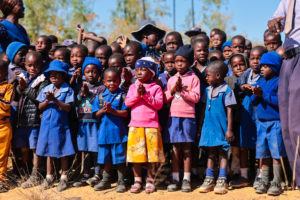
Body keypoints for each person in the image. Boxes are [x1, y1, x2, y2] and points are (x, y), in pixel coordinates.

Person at [268, 0, 300, 189]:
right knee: (287, 125)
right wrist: (273, 23)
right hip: (288, 59)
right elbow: (274, 19)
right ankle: (297, 178)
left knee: (297, 124)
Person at [125, 57, 164, 194]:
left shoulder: (156, 88)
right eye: (137, 70)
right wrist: (138, 94)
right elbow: (128, 103)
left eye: (143, 70)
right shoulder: (132, 87)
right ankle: (137, 180)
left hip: (152, 126)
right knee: (137, 156)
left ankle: (150, 180)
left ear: (152, 73)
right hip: (135, 126)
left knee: (151, 156)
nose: (139, 72)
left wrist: (145, 94)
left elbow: (159, 105)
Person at [164, 45, 200, 192]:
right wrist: (173, 91)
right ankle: (175, 178)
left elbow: (196, 98)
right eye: (176, 61)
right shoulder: (172, 79)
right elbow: (165, 99)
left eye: (182, 61)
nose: (178, 64)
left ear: (191, 62)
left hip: (188, 118)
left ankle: (186, 179)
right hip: (173, 117)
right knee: (175, 149)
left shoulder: (194, 78)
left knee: (186, 149)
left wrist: (182, 92)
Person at [36, 60, 75, 192]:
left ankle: (64, 177)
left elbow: (68, 108)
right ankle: (49, 177)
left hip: (60, 126)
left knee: (63, 151)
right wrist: (48, 100)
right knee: (48, 152)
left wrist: (55, 100)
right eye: (51, 74)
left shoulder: (67, 90)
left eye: (56, 74)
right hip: (46, 126)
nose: (53, 77)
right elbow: (40, 107)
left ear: (64, 76)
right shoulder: (46, 89)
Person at [198, 60, 236, 194]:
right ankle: (209, 179)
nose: (206, 77)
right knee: (210, 153)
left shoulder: (227, 90)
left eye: (208, 75)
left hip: (221, 127)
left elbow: (230, 110)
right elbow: (203, 109)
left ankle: (222, 179)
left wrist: (229, 129)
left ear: (218, 75)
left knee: (222, 153)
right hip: (209, 127)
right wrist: (200, 126)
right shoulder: (207, 90)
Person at [251, 52, 286, 196]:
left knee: (276, 153)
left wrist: (263, 95)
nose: (262, 68)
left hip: (275, 123)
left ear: (275, 67)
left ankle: (277, 181)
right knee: (263, 153)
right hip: (261, 123)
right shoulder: (260, 81)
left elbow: (280, 102)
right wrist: (254, 93)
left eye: (266, 66)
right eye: (261, 66)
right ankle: (264, 180)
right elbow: (254, 101)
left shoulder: (279, 81)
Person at [13, 52, 50, 188]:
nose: (33, 68)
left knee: (35, 149)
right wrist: (19, 87)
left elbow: (39, 97)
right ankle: (26, 171)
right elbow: (17, 95)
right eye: (29, 65)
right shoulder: (23, 77)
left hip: (34, 120)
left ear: (41, 65)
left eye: (36, 65)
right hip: (22, 120)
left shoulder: (43, 80)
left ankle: (35, 175)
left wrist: (25, 88)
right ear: (25, 65)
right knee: (23, 148)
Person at [92, 68, 128, 193]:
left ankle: (121, 181)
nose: (112, 83)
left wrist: (113, 111)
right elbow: (95, 114)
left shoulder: (122, 95)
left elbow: (125, 113)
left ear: (119, 81)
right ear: (104, 82)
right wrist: (103, 110)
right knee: (106, 158)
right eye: (109, 81)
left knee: (120, 158)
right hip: (104, 134)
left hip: (118, 133)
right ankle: (106, 180)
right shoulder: (101, 96)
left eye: (115, 81)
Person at [73, 57, 105, 188]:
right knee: (85, 149)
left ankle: (97, 174)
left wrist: (89, 96)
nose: (91, 74)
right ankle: (86, 173)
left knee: (95, 149)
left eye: (94, 71)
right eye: (88, 72)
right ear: (83, 74)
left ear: (99, 73)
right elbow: (76, 102)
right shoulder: (80, 86)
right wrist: (82, 94)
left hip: (95, 123)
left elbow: (101, 104)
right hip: (83, 122)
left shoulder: (102, 88)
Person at [0, 53, 15, 193]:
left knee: (2, 155)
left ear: (4, 73)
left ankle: (1, 180)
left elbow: (6, 104)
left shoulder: (8, 87)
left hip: (3, 126)